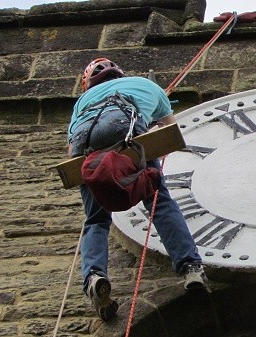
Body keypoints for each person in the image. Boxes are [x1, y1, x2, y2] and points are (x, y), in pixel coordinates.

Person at [67, 58, 209, 322]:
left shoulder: (81, 102)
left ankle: (94, 276)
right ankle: (190, 266)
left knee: (96, 219)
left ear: (89, 83)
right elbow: (170, 130)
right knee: (159, 202)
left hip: (83, 143)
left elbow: (71, 152)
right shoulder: (145, 85)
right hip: (121, 129)